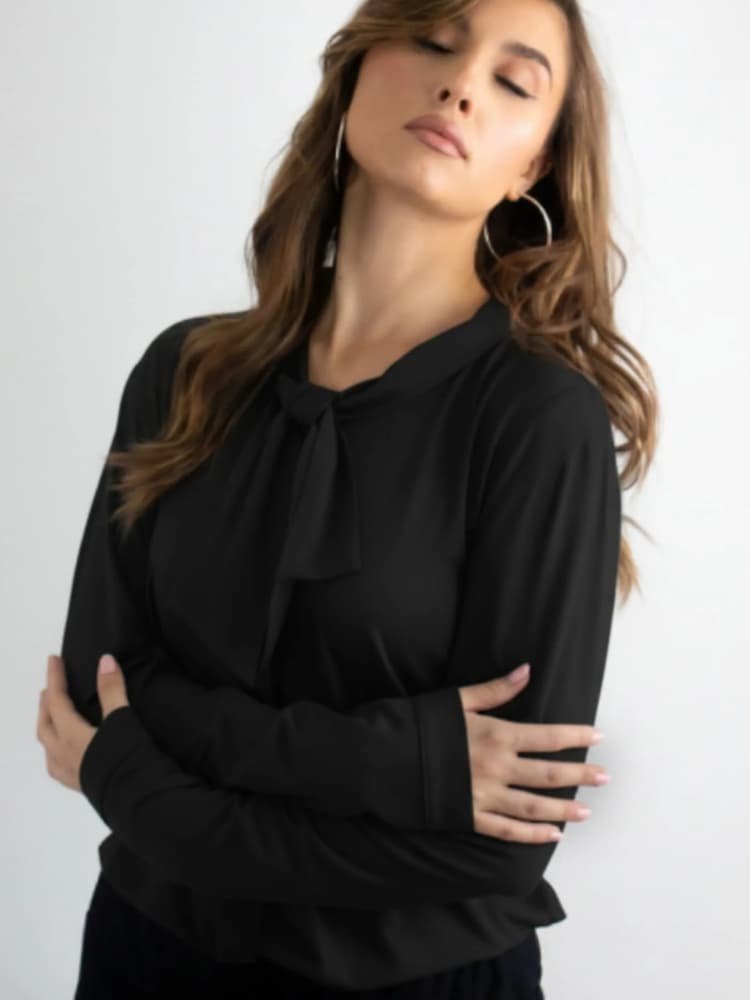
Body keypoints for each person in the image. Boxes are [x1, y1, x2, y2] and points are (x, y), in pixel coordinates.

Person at [37, 0, 658, 996]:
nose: (460, 85)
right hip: (141, 957)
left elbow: (497, 847)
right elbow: (89, 699)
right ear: (359, 67)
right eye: (436, 41)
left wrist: (144, 788)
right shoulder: (183, 372)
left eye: (513, 81)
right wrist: (407, 760)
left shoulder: (540, 421)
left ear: (534, 165)